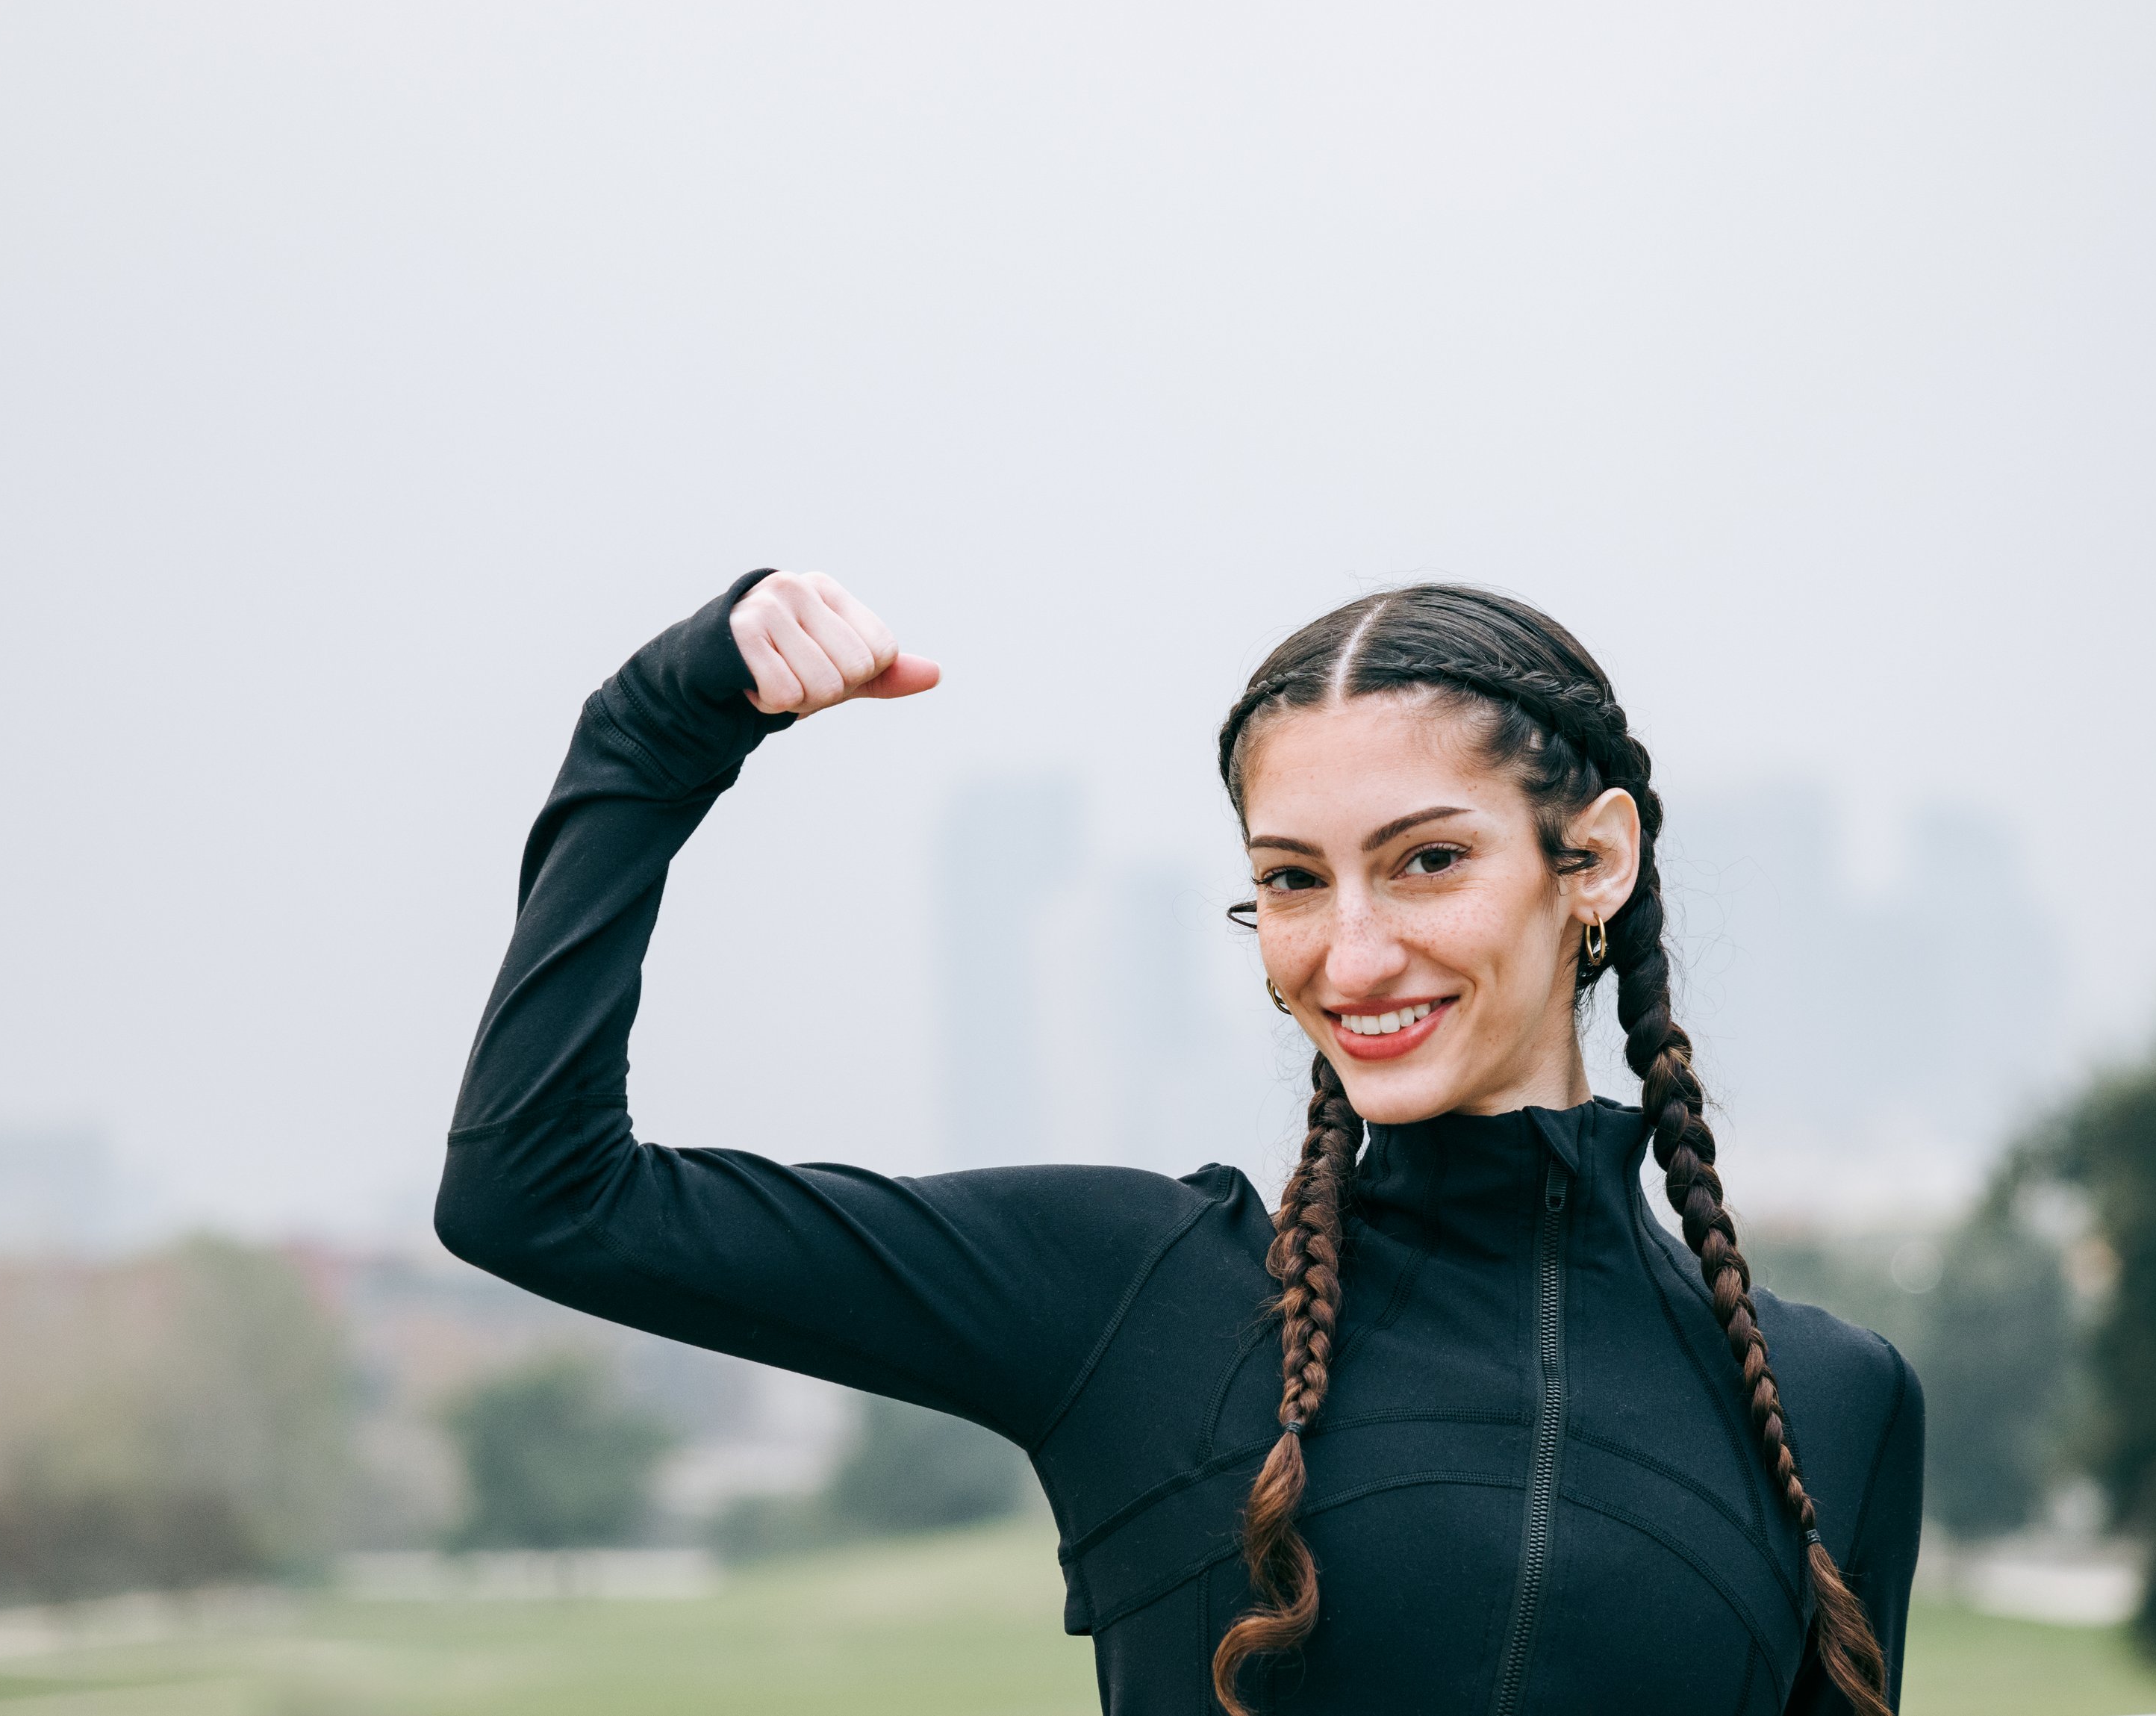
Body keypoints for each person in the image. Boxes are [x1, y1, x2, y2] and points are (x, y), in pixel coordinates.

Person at [440, 568, 1924, 1715]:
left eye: (1426, 863)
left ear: (1589, 858)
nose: (1350, 957)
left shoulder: (1831, 1405)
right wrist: (657, 724)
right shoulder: (1125, 1294)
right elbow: (538, 1194)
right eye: (1292, 880)